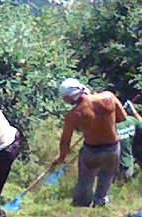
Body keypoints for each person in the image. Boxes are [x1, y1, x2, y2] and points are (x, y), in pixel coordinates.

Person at [53, 78, 127, 207]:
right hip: (112, 147)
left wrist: (61, 156)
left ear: (70, 97)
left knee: (86, 177)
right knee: (107, 173)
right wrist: (105, 124)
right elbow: (123, 117)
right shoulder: (109, 97)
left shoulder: (73, 115)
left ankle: (82, 202)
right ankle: (100, 200)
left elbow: (66, 141)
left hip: (91, 149)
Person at [116, 98, 142, 182]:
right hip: (127, 163)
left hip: (113, 163)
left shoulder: (110, 124)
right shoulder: (131, 120)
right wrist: (134, 112)